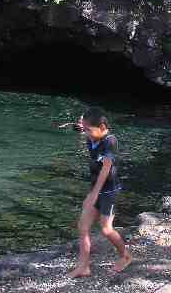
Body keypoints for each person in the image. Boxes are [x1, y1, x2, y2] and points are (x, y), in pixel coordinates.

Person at [66, 108, 132, 277]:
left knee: (106, 229)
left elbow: (106, 168)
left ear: (102, 126)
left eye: (88, 129)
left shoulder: (110, 141)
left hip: (108, 191)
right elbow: (87, 132)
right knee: (83, 226)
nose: (85, 133)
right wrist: (84, 125)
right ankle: (84, 266)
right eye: (84, 129)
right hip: (95, 189)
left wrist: (94, 194)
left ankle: (125, 256)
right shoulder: (91, 139)